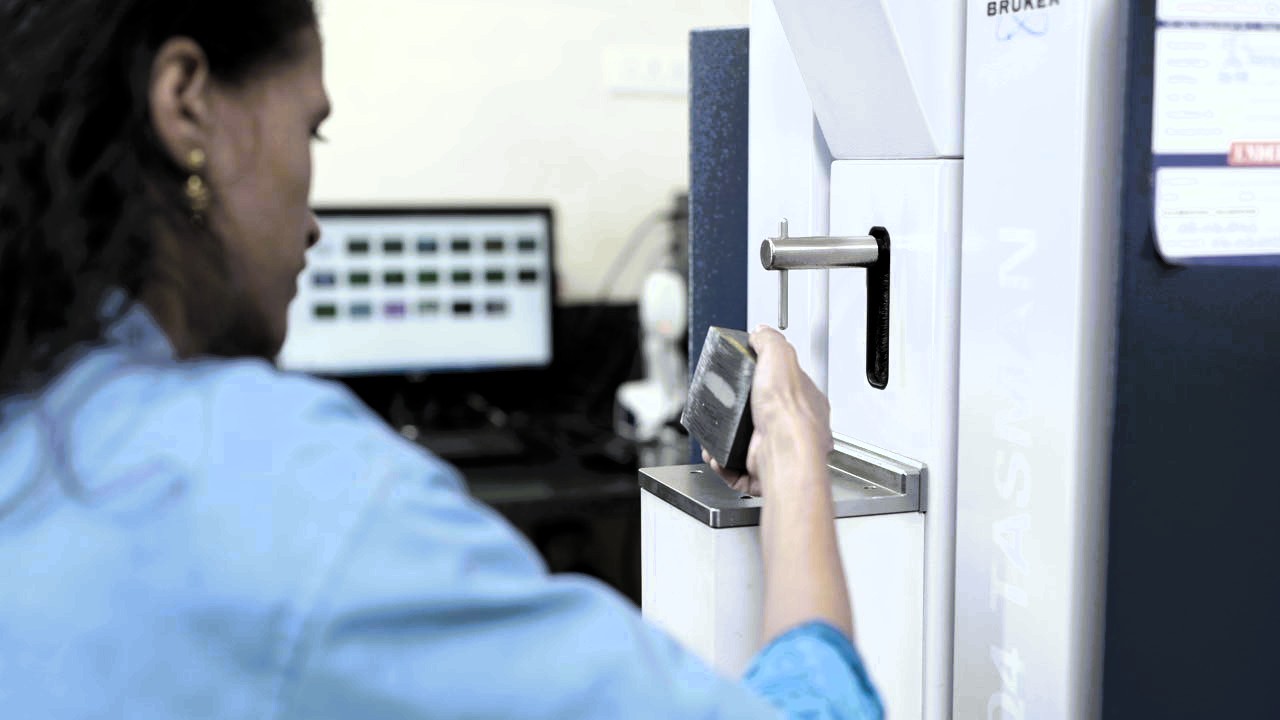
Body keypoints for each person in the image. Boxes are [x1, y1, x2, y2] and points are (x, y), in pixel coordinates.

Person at [0, 1, 883, 717]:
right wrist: (795, 457)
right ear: (187, 103)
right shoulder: (282, 482)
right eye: (312, 133)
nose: (312, 224)